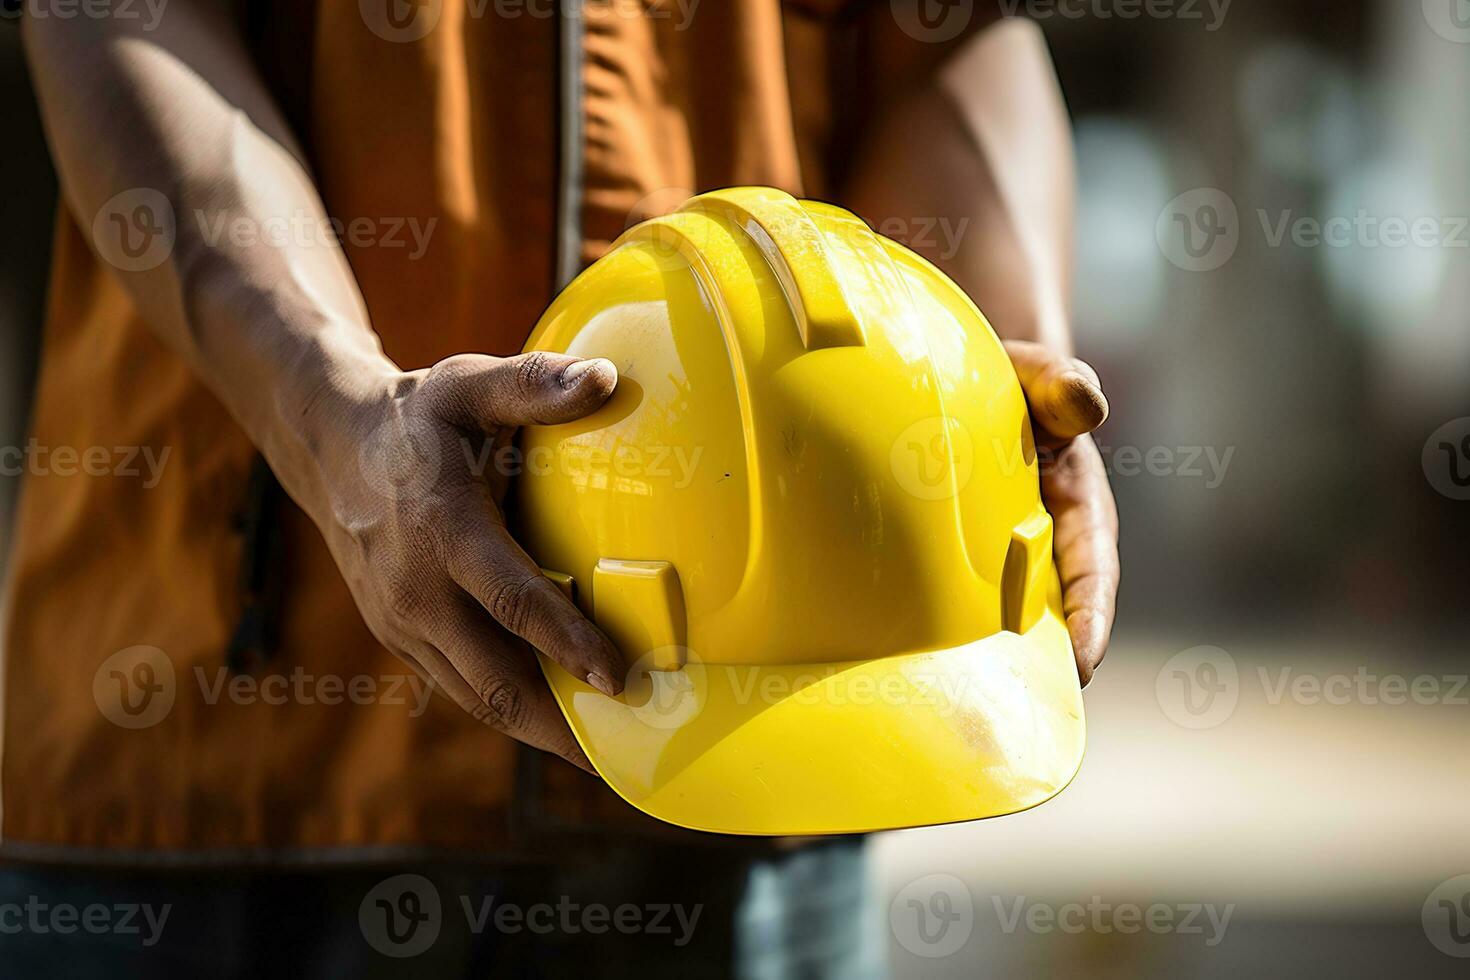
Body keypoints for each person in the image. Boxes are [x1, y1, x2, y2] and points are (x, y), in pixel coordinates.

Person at [3, 1, 1118, 975]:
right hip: (215, 772)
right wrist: (329, 411)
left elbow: (947, 36)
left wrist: (977, 380)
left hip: (767, 739)